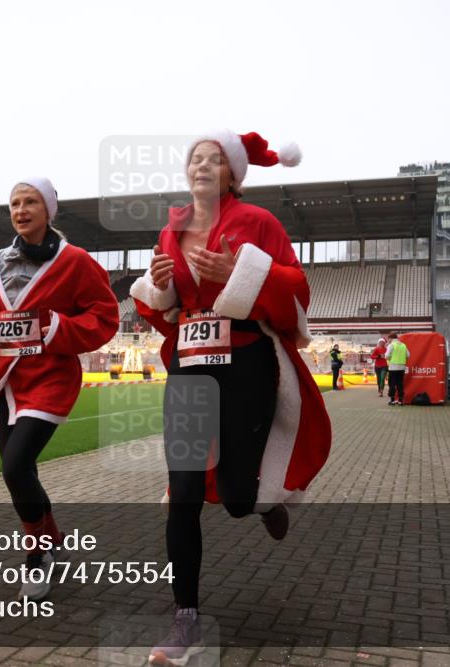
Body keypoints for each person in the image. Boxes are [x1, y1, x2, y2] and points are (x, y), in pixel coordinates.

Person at [130, 130, 331, 666]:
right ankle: (185, 618)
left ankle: (265, 504)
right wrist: (160, 284)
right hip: (190, 368)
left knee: (240, 497)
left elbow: (296, 289)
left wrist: (241, 274)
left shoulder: (260, 222)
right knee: (184, 492)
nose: (201, 165)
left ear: (233, 175)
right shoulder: (171, 229)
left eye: (214, 160)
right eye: (195, 158)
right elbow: (165, 306)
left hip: (246, 367)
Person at [0, 177, 119, 601]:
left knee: (15, 467)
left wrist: (57, 327)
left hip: (52, 379)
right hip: (9, 382)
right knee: (22, 473)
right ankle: (54, 540)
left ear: (48, 211)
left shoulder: (75, 261)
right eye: (14, 203)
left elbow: (105, 316)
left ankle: (37, 557)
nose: (21, 210)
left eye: (30, 202)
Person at [386, 332, 410, 405]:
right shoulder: (403, 345)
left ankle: (392, 400)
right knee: (400, 384)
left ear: (391, 338)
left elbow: (387, 356)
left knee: (392, 384)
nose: (388, 340)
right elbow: (408, 355)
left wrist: (390, 358)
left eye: (388, 339)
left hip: (393, 367)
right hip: (402, 367)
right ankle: (400, 400)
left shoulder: (391, 345)